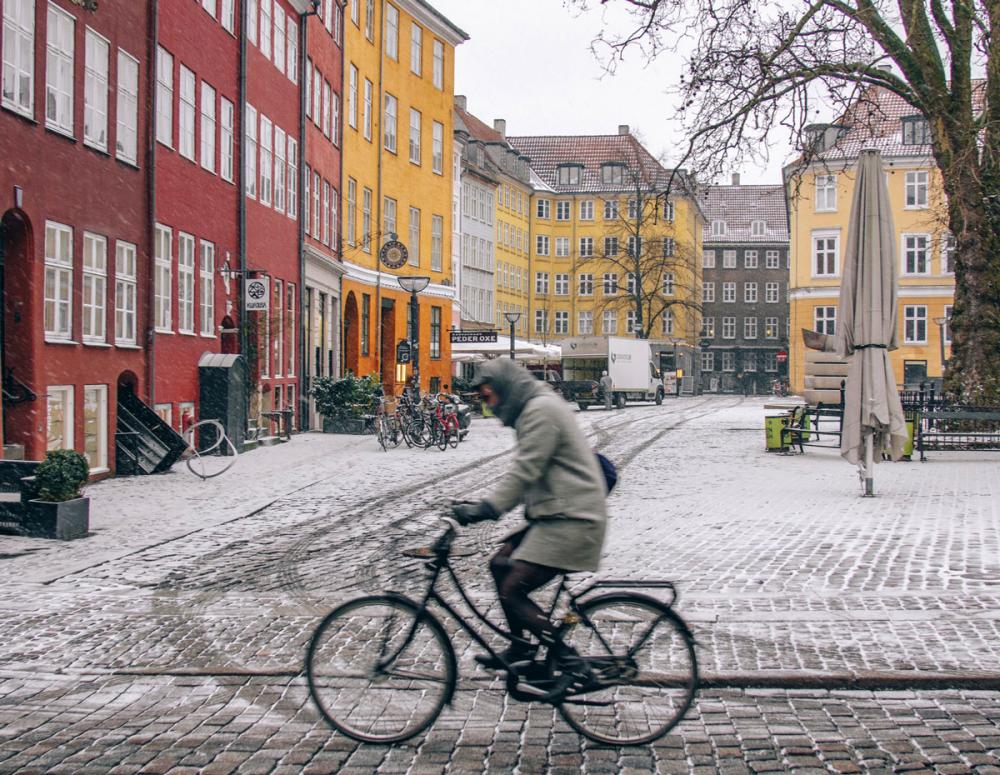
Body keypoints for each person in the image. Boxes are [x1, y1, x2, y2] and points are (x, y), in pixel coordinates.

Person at [452, 358, 608, 670]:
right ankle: (521, 648)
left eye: (488, 397)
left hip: (574, 519)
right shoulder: (532, 408)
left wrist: (489, 507)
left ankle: (566, 657)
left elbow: (525, 470)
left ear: (504, 388)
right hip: (556, 514)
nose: (488, 405)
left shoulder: (540, 410)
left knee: (513, 589)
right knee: (499, 564)